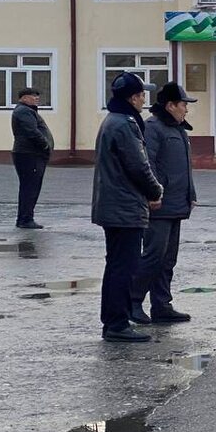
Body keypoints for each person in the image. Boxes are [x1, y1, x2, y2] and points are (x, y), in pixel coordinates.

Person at [92, 73, 164, 343]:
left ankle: (113, 321)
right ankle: (117, 324)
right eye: (142, 95)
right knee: (124, 267)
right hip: (124, 208)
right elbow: (138, 166)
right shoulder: (124, 124)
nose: (145, 99)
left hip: (114, 206)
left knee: (116, 266)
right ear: (133, 98)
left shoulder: (114, 120)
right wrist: (155, 190)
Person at [130, 82, 198, 325]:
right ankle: (133, 302)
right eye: (183, 105)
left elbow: (184, 168)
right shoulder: (153, 128)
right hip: (159, 205)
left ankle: (161, 305)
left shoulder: (178, 129)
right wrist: (154, 193)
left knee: (168, 259)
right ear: (170, 105)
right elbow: (148, 164)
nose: (186, 109)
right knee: (153, 256)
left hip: (177, 203)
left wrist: (191, 194)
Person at [11, 87, 54, 229]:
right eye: (33, 96)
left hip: (30, 154)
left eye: (37, 96)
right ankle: (25, 219)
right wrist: (45, 145)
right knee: (30, 188)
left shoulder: (27, 111)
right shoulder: (23, 111)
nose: (36, 98)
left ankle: (25, 218)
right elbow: (32, 132)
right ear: (23, 98)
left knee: (30, 187)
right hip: (29, 154)